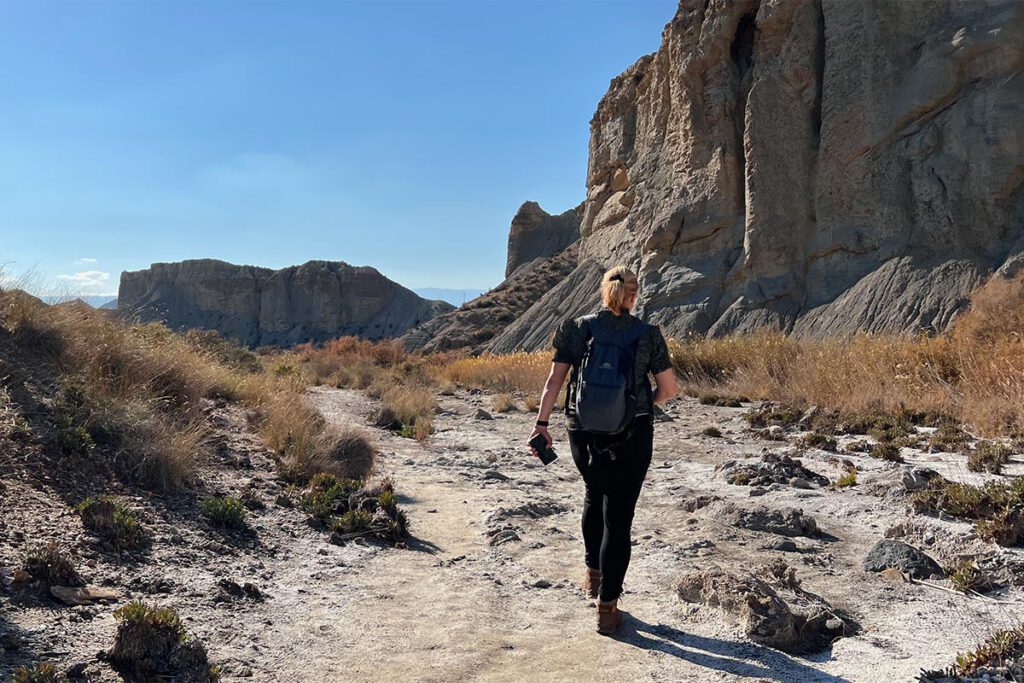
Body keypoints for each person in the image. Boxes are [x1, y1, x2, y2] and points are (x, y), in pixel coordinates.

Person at [528, 265, 677, 636]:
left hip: (583, 432)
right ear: (633, 295)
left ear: (602, 291)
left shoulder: (577, 328)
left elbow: (554, 381)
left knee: (595, 494)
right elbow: (669, 389)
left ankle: (592, 575)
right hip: (633, 433)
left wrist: (541, 425)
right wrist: (642, 405)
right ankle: (606, 609)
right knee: (619, 516)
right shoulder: (648, 334)